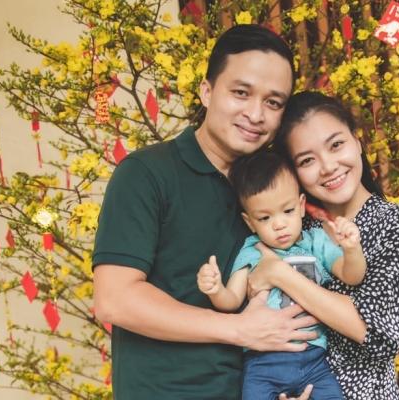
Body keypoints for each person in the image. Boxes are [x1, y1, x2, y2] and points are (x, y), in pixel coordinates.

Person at [91, 25, 319, 400]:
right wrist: (239, 329)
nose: (255, 114)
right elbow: (114, 299)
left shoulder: (278, 187)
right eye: (241, 93)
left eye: (273, 103)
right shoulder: (146, 173)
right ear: (207, 91)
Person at [249, 91, 399, 400]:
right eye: (307, 160)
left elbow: (381, 333)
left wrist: (280, 274)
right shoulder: (291, 230)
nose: (328, 166)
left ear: (357, 141)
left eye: (336, 145)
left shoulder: (393, 222)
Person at [197, 150, 367, 399]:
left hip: (314, 360)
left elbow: (352, 276)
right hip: (264, 362)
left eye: (287, 211)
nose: (279, 224)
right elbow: (231, 301)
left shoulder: (315, 242)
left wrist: (352, 250)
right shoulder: (252, 251)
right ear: (250, 222)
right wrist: (215, 289)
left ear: (301, 206)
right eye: (265, 217)